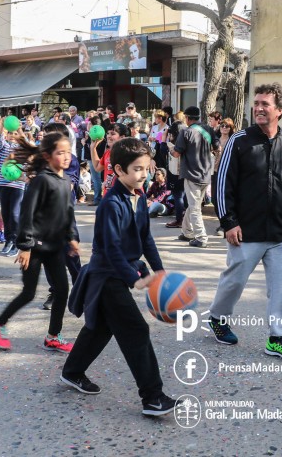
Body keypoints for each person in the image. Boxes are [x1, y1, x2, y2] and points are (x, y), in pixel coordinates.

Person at [61, 138, 179, 416]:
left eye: (147, 169)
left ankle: (72, 371)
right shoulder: (111, 204)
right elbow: (111, 248)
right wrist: (133, 278)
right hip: (107, 277)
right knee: (136, 330)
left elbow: (146, 238)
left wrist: (159, 270)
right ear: (118, 170)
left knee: (100, 328)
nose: (144, 174)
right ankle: (153, 397)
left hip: (119, 273)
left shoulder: (139, 198)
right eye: (137, 169)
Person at [210, 82, 282, 362]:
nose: (259, 108)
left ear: (280, 110)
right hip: (245, 231)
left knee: (281, 285)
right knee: (234, 282)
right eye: (257, 103)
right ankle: (217, 318)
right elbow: (222, 184)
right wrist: (229, 222)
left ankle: (277, 338)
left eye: (266, 104)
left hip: (279, 232)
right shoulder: (239, 141)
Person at [0, 131, 77, 354]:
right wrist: (24, 246)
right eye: (60, 153)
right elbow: (27, 213)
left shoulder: (65, 182)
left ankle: (53, 337)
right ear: (47, 156)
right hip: (35, 247)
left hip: (55, 247)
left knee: (62, 291)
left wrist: (72, 237)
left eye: (68, 152)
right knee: (29, 292)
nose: (66, 157)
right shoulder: (41, 181)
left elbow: (68, 212)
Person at [172, 106, 219, 248]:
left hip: (191, 173)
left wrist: (170, 148)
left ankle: (201, 237)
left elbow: (176, 153)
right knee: (195, 204)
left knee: (195, 207)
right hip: (206, 173)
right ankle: (187, 232)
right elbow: (217, 147)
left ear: (187, 118)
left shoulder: (186, 132)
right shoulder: (208, 130)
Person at [0, 126, 27, 257]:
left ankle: (16, 242)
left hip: (17, 185)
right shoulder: (3, 147)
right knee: (6, 214)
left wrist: (20, 131)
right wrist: (2, 125)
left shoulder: (21, 149)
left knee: (15, 214)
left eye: (15, 134)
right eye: (10, 133)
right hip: (3, 184)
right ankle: (8, 240)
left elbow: (27, 144)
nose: (12, 135)